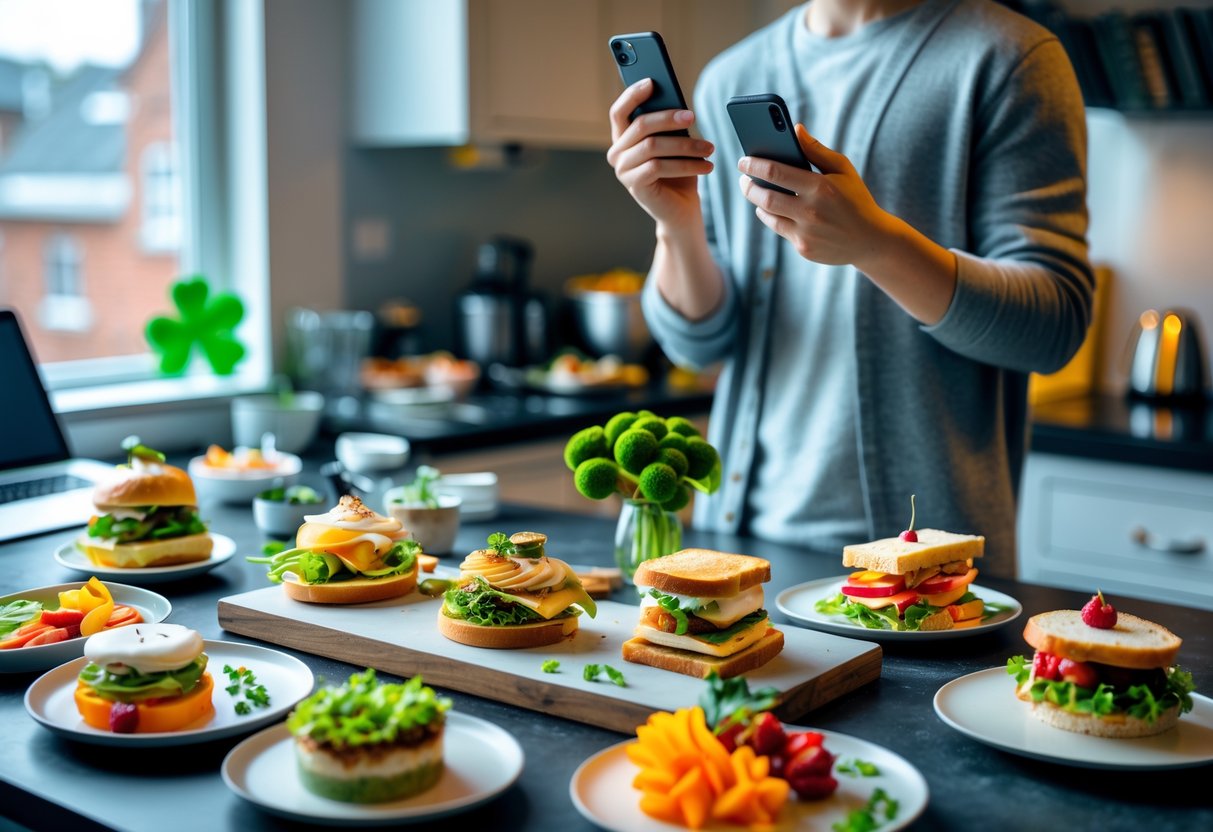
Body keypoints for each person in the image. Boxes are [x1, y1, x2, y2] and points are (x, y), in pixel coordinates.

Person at [606, 0, 1093, 576]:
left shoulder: (1011, 58)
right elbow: (698, 345)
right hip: (739, 547)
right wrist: (676, 225)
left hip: (923, 569)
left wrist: (875, 246)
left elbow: (1053, 328)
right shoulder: (731, 77)